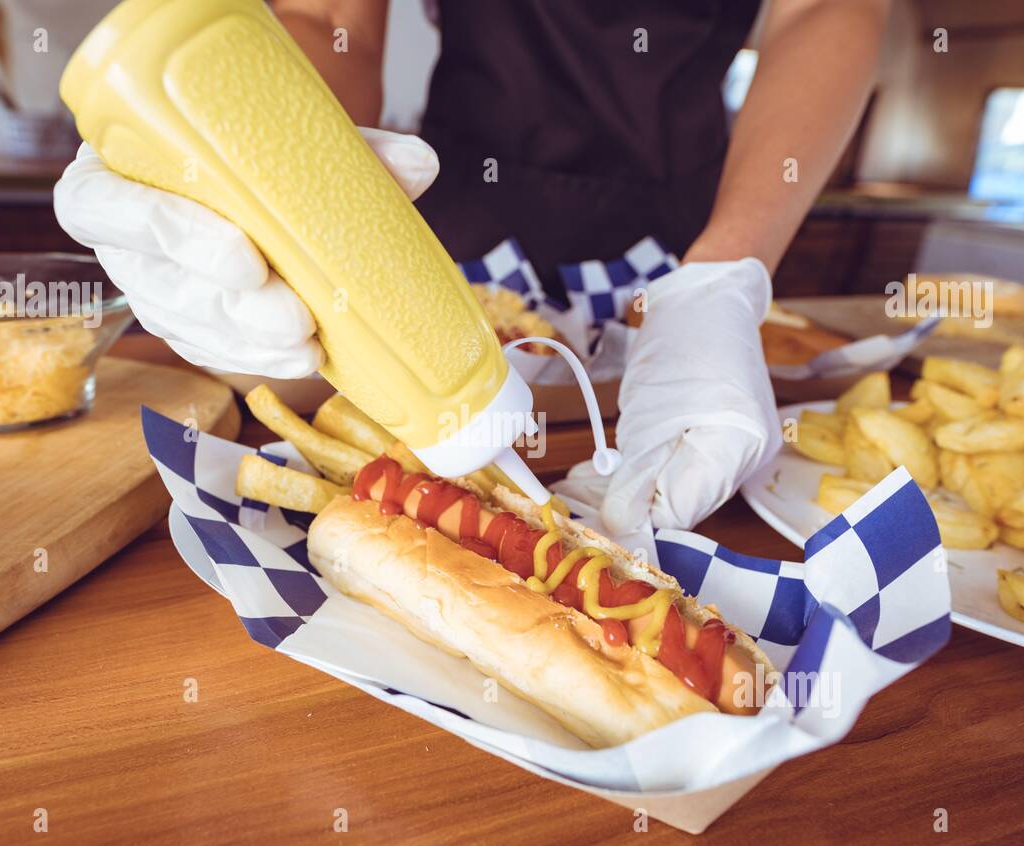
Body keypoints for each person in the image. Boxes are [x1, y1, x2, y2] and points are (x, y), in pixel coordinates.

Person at [55, 0, 889, 533]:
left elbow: (827, 10)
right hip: (448, 225)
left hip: (700, 233)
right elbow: (325, 17)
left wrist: (723, 279)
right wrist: (269, 183)